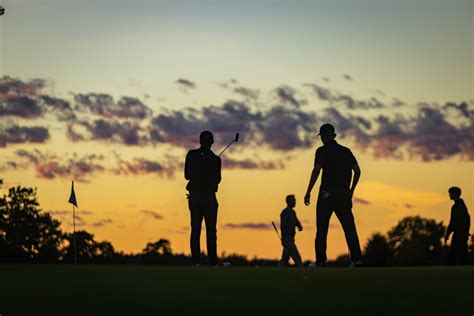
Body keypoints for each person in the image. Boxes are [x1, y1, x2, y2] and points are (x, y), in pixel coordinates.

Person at [304, 123, 362, 267]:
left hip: (326, 194)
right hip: (343, 194)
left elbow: (317, 170)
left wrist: (308, 191)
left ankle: (321, 261)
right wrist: (351, 191)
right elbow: (357, 171)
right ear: (334, 136)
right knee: (349, 228)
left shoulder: (321, 151)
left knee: (322, 229)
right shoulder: (346, 151)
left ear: (323, 137)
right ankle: (357, 259)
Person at [185, 131, 222, 267]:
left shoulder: (215, 159)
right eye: (205, 141)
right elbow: (187, 175)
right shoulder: (194, 155)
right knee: (198, 229)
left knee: (208, 230)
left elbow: (217, 180)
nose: (206, 144)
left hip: (205, 197)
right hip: (198, 197)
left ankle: (209, 261)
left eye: (207, 141)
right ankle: (198, 261)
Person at [445, 186, 470, 265]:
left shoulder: (457, 206)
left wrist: (448, 233)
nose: (449, 195)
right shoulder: (461, 205)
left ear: (455, 194)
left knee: (456, 252)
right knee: (461, 252)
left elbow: (453, 221)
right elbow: (467, 218)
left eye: (451, 193)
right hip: (462, 233)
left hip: (460, 233)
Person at [279, 195, 303, 267]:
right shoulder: (285, 212)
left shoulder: (293, 212)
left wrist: (299, 226)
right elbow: (283, 225)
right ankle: (301, 270)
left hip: (291, 238)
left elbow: (296, 221)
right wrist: (283, 238)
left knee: (285, 258)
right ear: (288, 202)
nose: (295, 202)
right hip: (287, 238)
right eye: (293, 200)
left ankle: (278, 270)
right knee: (297, 257)